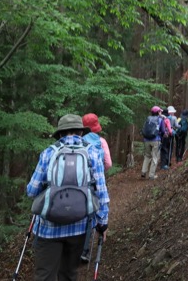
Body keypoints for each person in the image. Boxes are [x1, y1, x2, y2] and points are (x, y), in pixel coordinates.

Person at [26, 114, 109, 281]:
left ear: (60, 134)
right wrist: (102, 223)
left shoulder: (49, 153)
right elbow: (101, 192)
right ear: (81, 132)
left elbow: (32, 191)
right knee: (69, 274)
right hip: (79, 226)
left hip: (48, 228)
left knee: (45, 275)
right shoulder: (92, 152)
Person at [80, 113, 111, 263]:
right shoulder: (101, 141)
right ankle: (85, 250)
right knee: (91, 210)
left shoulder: (77, 142)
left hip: (77, 185)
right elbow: (108, 163)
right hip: (95, 182)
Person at [141, 106, 166, 179]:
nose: (161, 112)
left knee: (147, 156)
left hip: (146, 140)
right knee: (155, 157)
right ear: (158, 112)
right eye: (160, 111)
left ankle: (143, 172)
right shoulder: (160, 120)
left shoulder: (148, 118)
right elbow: (163, 131)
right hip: (156, 140)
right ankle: (151, 175)